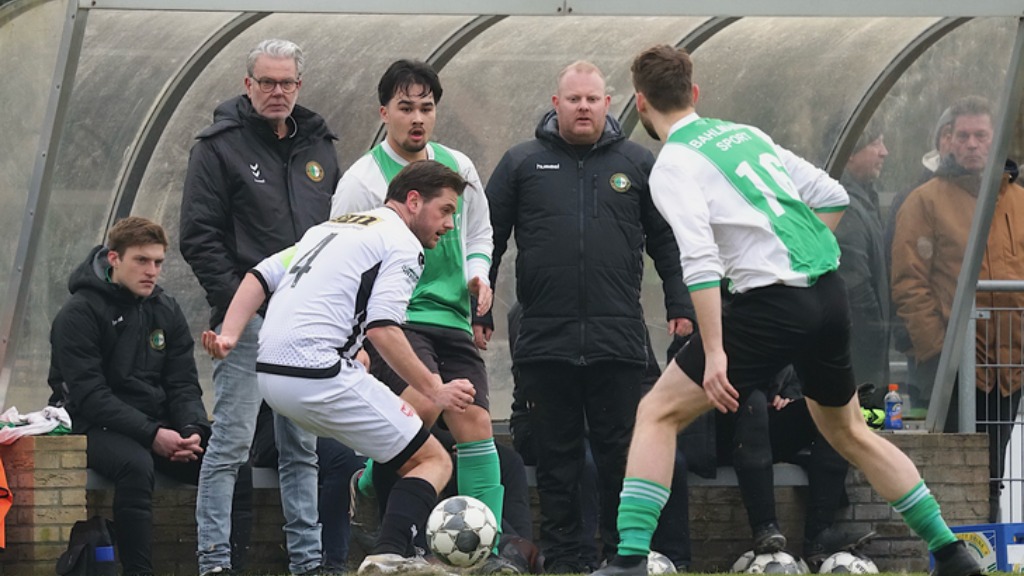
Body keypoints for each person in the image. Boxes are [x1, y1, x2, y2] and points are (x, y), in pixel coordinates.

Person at [591, 44, 981, 576]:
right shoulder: (745, 135)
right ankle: (951, 552)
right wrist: (794, 257)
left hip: (770, 304)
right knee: (847, 431)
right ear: (696, 92)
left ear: (640, 104)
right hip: (827, 295)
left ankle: (631, 558)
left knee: (656, 412)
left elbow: (700, 263)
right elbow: (831, 195)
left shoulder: (674, 164)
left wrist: (714, 352)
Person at [202, 160, 476, 576]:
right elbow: (384, 327)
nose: (450, 225)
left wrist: (231, 335)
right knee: (434, 459)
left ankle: (387, 530)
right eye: (447, 210)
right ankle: (389, 557)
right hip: (316, 373)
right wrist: (434, 387)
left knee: (404, 448)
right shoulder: (403, 243)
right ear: (414, 201)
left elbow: (260, 274)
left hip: (272, 376)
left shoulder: (330, 228)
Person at [486, 60, 694, 573]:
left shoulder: (639, 163)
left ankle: (621, 557)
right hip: (545, 341)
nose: (583, 107)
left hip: (617, 340)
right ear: (556, 104)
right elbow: (484, 240)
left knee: (620, 458)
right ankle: (565, 560)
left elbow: (668, 242)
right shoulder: (522, 163)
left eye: (592, 99)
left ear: (609, 103)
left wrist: (681, 304)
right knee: (557, 463)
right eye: (573, 99)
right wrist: (479, 309)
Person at [330, 59, 514, 573]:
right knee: (423, 410)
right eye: (406, 107)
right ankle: (374, 490)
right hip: (398, 319)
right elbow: (343, 260)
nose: (417, 117)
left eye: (427, 108)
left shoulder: (458, 166)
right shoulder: (362, 180)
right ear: (383, 111)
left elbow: (479, 234)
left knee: (475, 421)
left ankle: (487, 553)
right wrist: (357, 337)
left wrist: (479, 274)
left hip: (454, 319)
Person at [180, 38, 341, 576]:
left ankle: (308, 562)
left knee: (302, 449)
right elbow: (198, 237)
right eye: (266, 82)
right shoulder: (217, 146)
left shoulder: (321, 146)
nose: (277, 91)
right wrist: (239, 307)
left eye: (287, 82)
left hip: (307, 325)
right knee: (230, 444)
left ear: (299, 85)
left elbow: (334, 237)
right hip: (244, 324)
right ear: (247, 85)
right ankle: (214, 562)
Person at [47, 217, 249, 576]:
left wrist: (193, 429)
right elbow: (90, 396)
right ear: (114, 259)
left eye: (157, 262)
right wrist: (152, 434)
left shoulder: (165, 308)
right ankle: (139, 571)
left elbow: (183, 384)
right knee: (135, 465)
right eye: (141, 260)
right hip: (90, 425)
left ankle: (229, 565)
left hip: (156, 427)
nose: (151, 271)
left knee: (230, 458)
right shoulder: (78, 313)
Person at [891, 95, 1024, 522]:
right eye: (963, 135)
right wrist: (940, 352)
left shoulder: (1019, 201)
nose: (971, 144)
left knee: (994, 471)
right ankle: (955, 549)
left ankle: (987, 544)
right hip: (953, 366)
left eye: (981, 135)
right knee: (951, 473)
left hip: (1011, 364)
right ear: (948, 141)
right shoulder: (924, 201)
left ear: (996, 140)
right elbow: (909, 283)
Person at [250, 401, 366, 573]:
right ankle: (330, 562)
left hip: (328, 426)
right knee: (345, 459)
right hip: (277, 424)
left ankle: (405, 549)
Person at [835, 128, 891, 397]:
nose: (884, 151)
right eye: (875, 143)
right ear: (849, 156)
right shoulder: (845, 206)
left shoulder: (865, 200)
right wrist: (876, 336)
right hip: (857, 356)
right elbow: (854, 286)